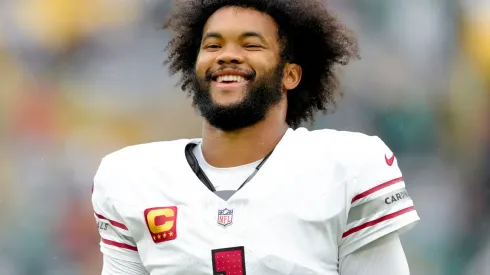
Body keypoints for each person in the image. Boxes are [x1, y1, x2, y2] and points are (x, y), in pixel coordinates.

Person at [91, 0, 420, 274]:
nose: (227, 55)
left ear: (290, 75)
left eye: (250, 44)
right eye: (213, 45)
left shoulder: (346, 167)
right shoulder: (131, 179)